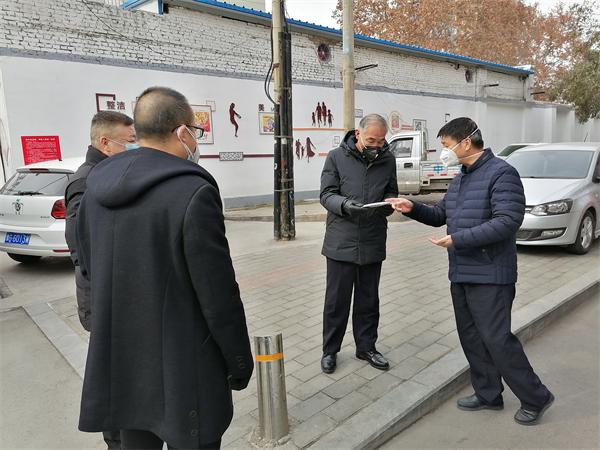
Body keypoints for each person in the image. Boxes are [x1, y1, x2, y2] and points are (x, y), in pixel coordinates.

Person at [76, 87, 254, 449]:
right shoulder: (192, 191)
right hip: (185, 367)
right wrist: (238, 362)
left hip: (124, 363)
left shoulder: (96, 186)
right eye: (196, 132)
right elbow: (217, 294)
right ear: (182, 132)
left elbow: (89, 266)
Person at [387, 117, 554, 426]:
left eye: (446, 145)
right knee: (472, 338)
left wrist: (458, 239)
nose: (443, 152)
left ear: (466, 142)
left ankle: (536, 397)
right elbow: (441, 214)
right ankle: (488, 394)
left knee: (496, 339)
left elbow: (507, 221)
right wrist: (412, 207)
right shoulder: (461, 177)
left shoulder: (501, 173)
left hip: (491, 273)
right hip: (462, 271)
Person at [65, 110, 136, 449]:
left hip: (116, 296)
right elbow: (81, 246)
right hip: (104, 298)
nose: (136, 147)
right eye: (130, 142)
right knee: (112, 377)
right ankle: (116, 441)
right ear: (105, 143)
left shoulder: (109, 173)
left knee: (124, 372)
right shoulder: (86, 181)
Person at [319, 113, 398, 374]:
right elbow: (326, 194)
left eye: (381, 140)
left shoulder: (388, 159)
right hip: (341, 240)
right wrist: (345, 205)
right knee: (336, 302)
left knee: (368, 300)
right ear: (358, 134)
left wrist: (389, 204)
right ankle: (330, 350)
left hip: (373, 238)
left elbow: (391, 191)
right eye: (371, 140)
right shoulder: (336, 157)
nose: (376, 145)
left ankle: (366, 347)